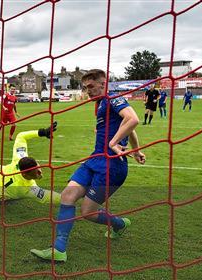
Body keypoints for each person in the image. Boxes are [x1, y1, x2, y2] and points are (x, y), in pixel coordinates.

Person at [30, 69, 146, 263]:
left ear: (103, 84)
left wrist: (113, 142)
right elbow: (128, 128)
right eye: (85, 88)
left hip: (112, 166)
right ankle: (58, 249)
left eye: (91, 86)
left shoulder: (112, 98)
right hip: (95, 160)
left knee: (88, 213)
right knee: (67, 195)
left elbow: (133, 119)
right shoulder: (101, 104)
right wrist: (136, 149)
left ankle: (119, 224)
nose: (87, 91)